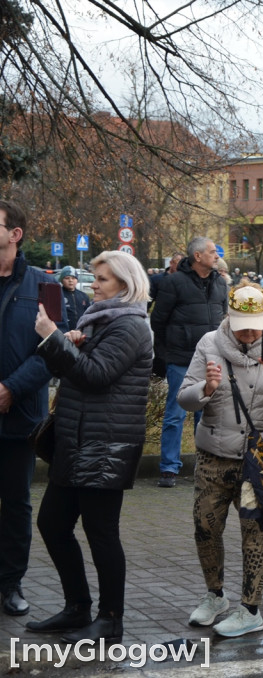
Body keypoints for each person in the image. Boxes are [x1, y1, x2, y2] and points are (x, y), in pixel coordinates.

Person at [27, 250, 152, 643]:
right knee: (52, 523)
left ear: (125, 286)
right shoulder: (99, 321)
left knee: (102, 533)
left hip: (106, 443)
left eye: (102, 279)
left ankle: (110, 619)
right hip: (78, 439)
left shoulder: (130, 325)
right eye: (94, 277)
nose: (92, 285)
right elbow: (81, 369)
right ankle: (78, 607)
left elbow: (96, 376)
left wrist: (54, 338)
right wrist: (70, 342)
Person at [177, 283, 263, 637]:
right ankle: (215, 595)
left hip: (258, 464)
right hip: (214, 457)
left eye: (254, 324)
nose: (248, 332)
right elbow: (183, 399)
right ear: (228, 319)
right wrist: (205, 389)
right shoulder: (209, 344)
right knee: (205, 527)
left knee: (255, 533)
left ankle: (251, 609)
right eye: (240, 324)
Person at [0, 200, 65, 618]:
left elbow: (52, 352)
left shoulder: (46, 286)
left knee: (16, 504)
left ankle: (10, 585)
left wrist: (10, 386)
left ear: (13, 234)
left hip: (19, 417)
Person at [151, 237, 228, 488]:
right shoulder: (174, 283)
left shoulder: (220, 283)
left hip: (212, 360)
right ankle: (169, 468)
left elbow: (224, 320)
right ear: (197, 256)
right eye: (212, 252)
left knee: (206, 415)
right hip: (181, 358)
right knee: (175, 414)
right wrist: (166, 352)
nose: (216, 256)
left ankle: (203, 465)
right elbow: (158, 321)